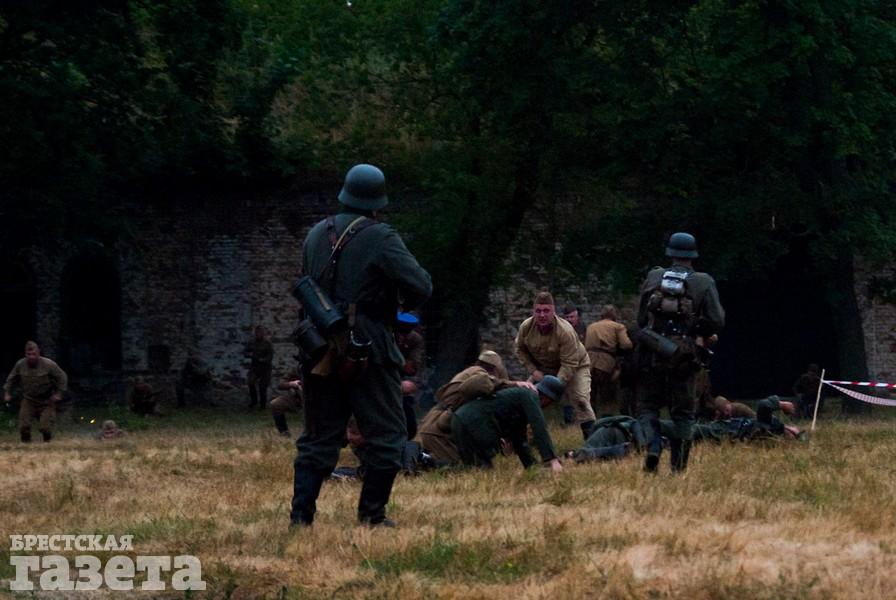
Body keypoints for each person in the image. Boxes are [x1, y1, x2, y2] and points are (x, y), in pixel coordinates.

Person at [290, 163, 432, 528]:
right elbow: (421, 285)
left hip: (319, 347)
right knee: (388, 434)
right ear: (377, 202)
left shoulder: (315, 235)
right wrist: (399, 307)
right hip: (369, 347)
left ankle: (300, 518)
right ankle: (372, 515)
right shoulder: (381, 236)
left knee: (318, 436)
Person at [635, 232, 725, 473]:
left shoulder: (654, 276)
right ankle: (678, 470)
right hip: (684, 356)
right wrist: (696, 330)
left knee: (647, 407)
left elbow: (641, 319)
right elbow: (717, 320)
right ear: (693, 255)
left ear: (670, 253)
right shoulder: (703, 282)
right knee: (684, 414)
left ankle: (654, 447)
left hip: (652, 353)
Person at [418, 350, 534, 465]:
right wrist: (513, 384)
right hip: (437, 430)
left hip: (434, 425)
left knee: (468, 461)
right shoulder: (478, 373)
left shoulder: (470, 373)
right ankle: (422, 458)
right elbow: (485, 382)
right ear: (494, 369)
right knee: (458, 466)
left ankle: (423, 457)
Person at [516, 291, 596, 439]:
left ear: (553, 311)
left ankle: (593, 440)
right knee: (528, 399)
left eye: (546, 311)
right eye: (538, 311)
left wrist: (555, 386)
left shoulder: (565, 331)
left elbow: (569, 363)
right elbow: (520, 350)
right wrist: (534, 371)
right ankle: (527, 439)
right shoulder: (526, 327)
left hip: (575, 366)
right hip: (544, 368)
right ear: (533, 311)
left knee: (580, 400)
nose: (542, 315)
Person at [451, 376, 565, 472]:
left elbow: (519, 438)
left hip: (459, 419)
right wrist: (552, 459)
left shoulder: (519, 399)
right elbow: (539, 426)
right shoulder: (530, 395)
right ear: (547, 398)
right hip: (475, 422)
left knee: (472, 469)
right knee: (486, 469)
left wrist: (532, 467)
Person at [4, 341, 68, 443]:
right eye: (28, 354)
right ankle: (26, 445)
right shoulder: (20, 364)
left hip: (46, 400)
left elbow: (62, 377)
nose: (31, 357)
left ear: (38, 353)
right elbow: (11, 379)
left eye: (34, 354)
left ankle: (48, 443)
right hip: (29, 399)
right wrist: (7, 392)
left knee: (45, 427)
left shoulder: (48, 364)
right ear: (25, 354)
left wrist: (59, 393)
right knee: (24, 426)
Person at [688, 396, 803, 443]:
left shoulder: (772, 429)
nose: (796, 427)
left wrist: (782, 404)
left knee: (693, 430)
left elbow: (763, 406)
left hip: (728, 431)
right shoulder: (774, 431)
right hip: (728, 429)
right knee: (695, 431)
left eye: (796, 431)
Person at [584, 304, 633, 414]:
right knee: (607, 394)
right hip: (605, 363)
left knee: (590, 394)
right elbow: (626, 345)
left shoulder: (591, 326)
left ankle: (590, 417)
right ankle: (607, 417)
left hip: (588, 362)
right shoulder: (618, 327)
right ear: (614, 315)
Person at [567, 415, 646, 463]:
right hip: (615, 432)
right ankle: (573, 455)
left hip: (613, 431)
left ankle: (573, 454)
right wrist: (642, 447)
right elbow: (636, 425)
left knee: (594, 454)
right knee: (586, 453)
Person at [395, 312, 425, 439]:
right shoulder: (384, 335)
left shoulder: (414, 339)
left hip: (401, 381)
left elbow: (412, 368)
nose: (403, 334)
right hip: (379, 380)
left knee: (410, 426)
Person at [270, 362, 303, 437]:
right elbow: (280, 384)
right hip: (298, 398)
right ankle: (284, 432)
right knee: (276, 404)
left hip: (317, 399)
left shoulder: (323, 366)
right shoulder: (296, 369)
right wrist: (291, 384)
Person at [246, 326, 274, 410]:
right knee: (250, 382)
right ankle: (254, 401)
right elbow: (246, 351)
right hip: (255, 367)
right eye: (257, 332)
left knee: (262, 386)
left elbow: (270, 356)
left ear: (263, 333)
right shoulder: (252, 342)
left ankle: (262, 405)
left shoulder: (267, 343)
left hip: (265, 368)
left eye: (260, 332)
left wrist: (262, 360)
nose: (258, 334)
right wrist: (250, 355)